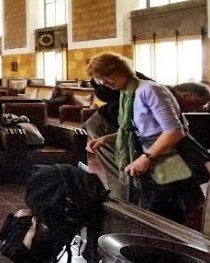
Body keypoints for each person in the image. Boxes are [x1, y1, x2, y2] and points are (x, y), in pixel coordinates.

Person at [85, 52, 203, 225]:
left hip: (168, 164)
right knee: (154, 217)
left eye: (108, 75)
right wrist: (107, 139)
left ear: (122, 70)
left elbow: (174, 131)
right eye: (101, 78)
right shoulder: (128, 93)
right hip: (156, 163)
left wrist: (146, 158)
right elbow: (140, 130)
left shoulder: (150, 90)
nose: (105, 82)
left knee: (163, 220)